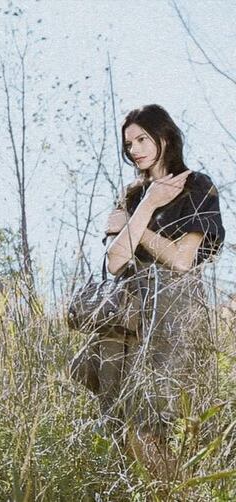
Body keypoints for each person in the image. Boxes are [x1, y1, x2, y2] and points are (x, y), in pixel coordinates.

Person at [70, 104, 225, 477]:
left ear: (165, 137)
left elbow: (182, 260)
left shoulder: (196, 186)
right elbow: (115, 263)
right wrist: (142, 208)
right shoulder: (131, 195)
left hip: (172, 314)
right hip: (124, 317)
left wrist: (147, 214)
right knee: (122, 427)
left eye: (142, 139)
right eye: (129, 144)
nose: (135, 149)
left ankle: (181, 493)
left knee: (151, 424)